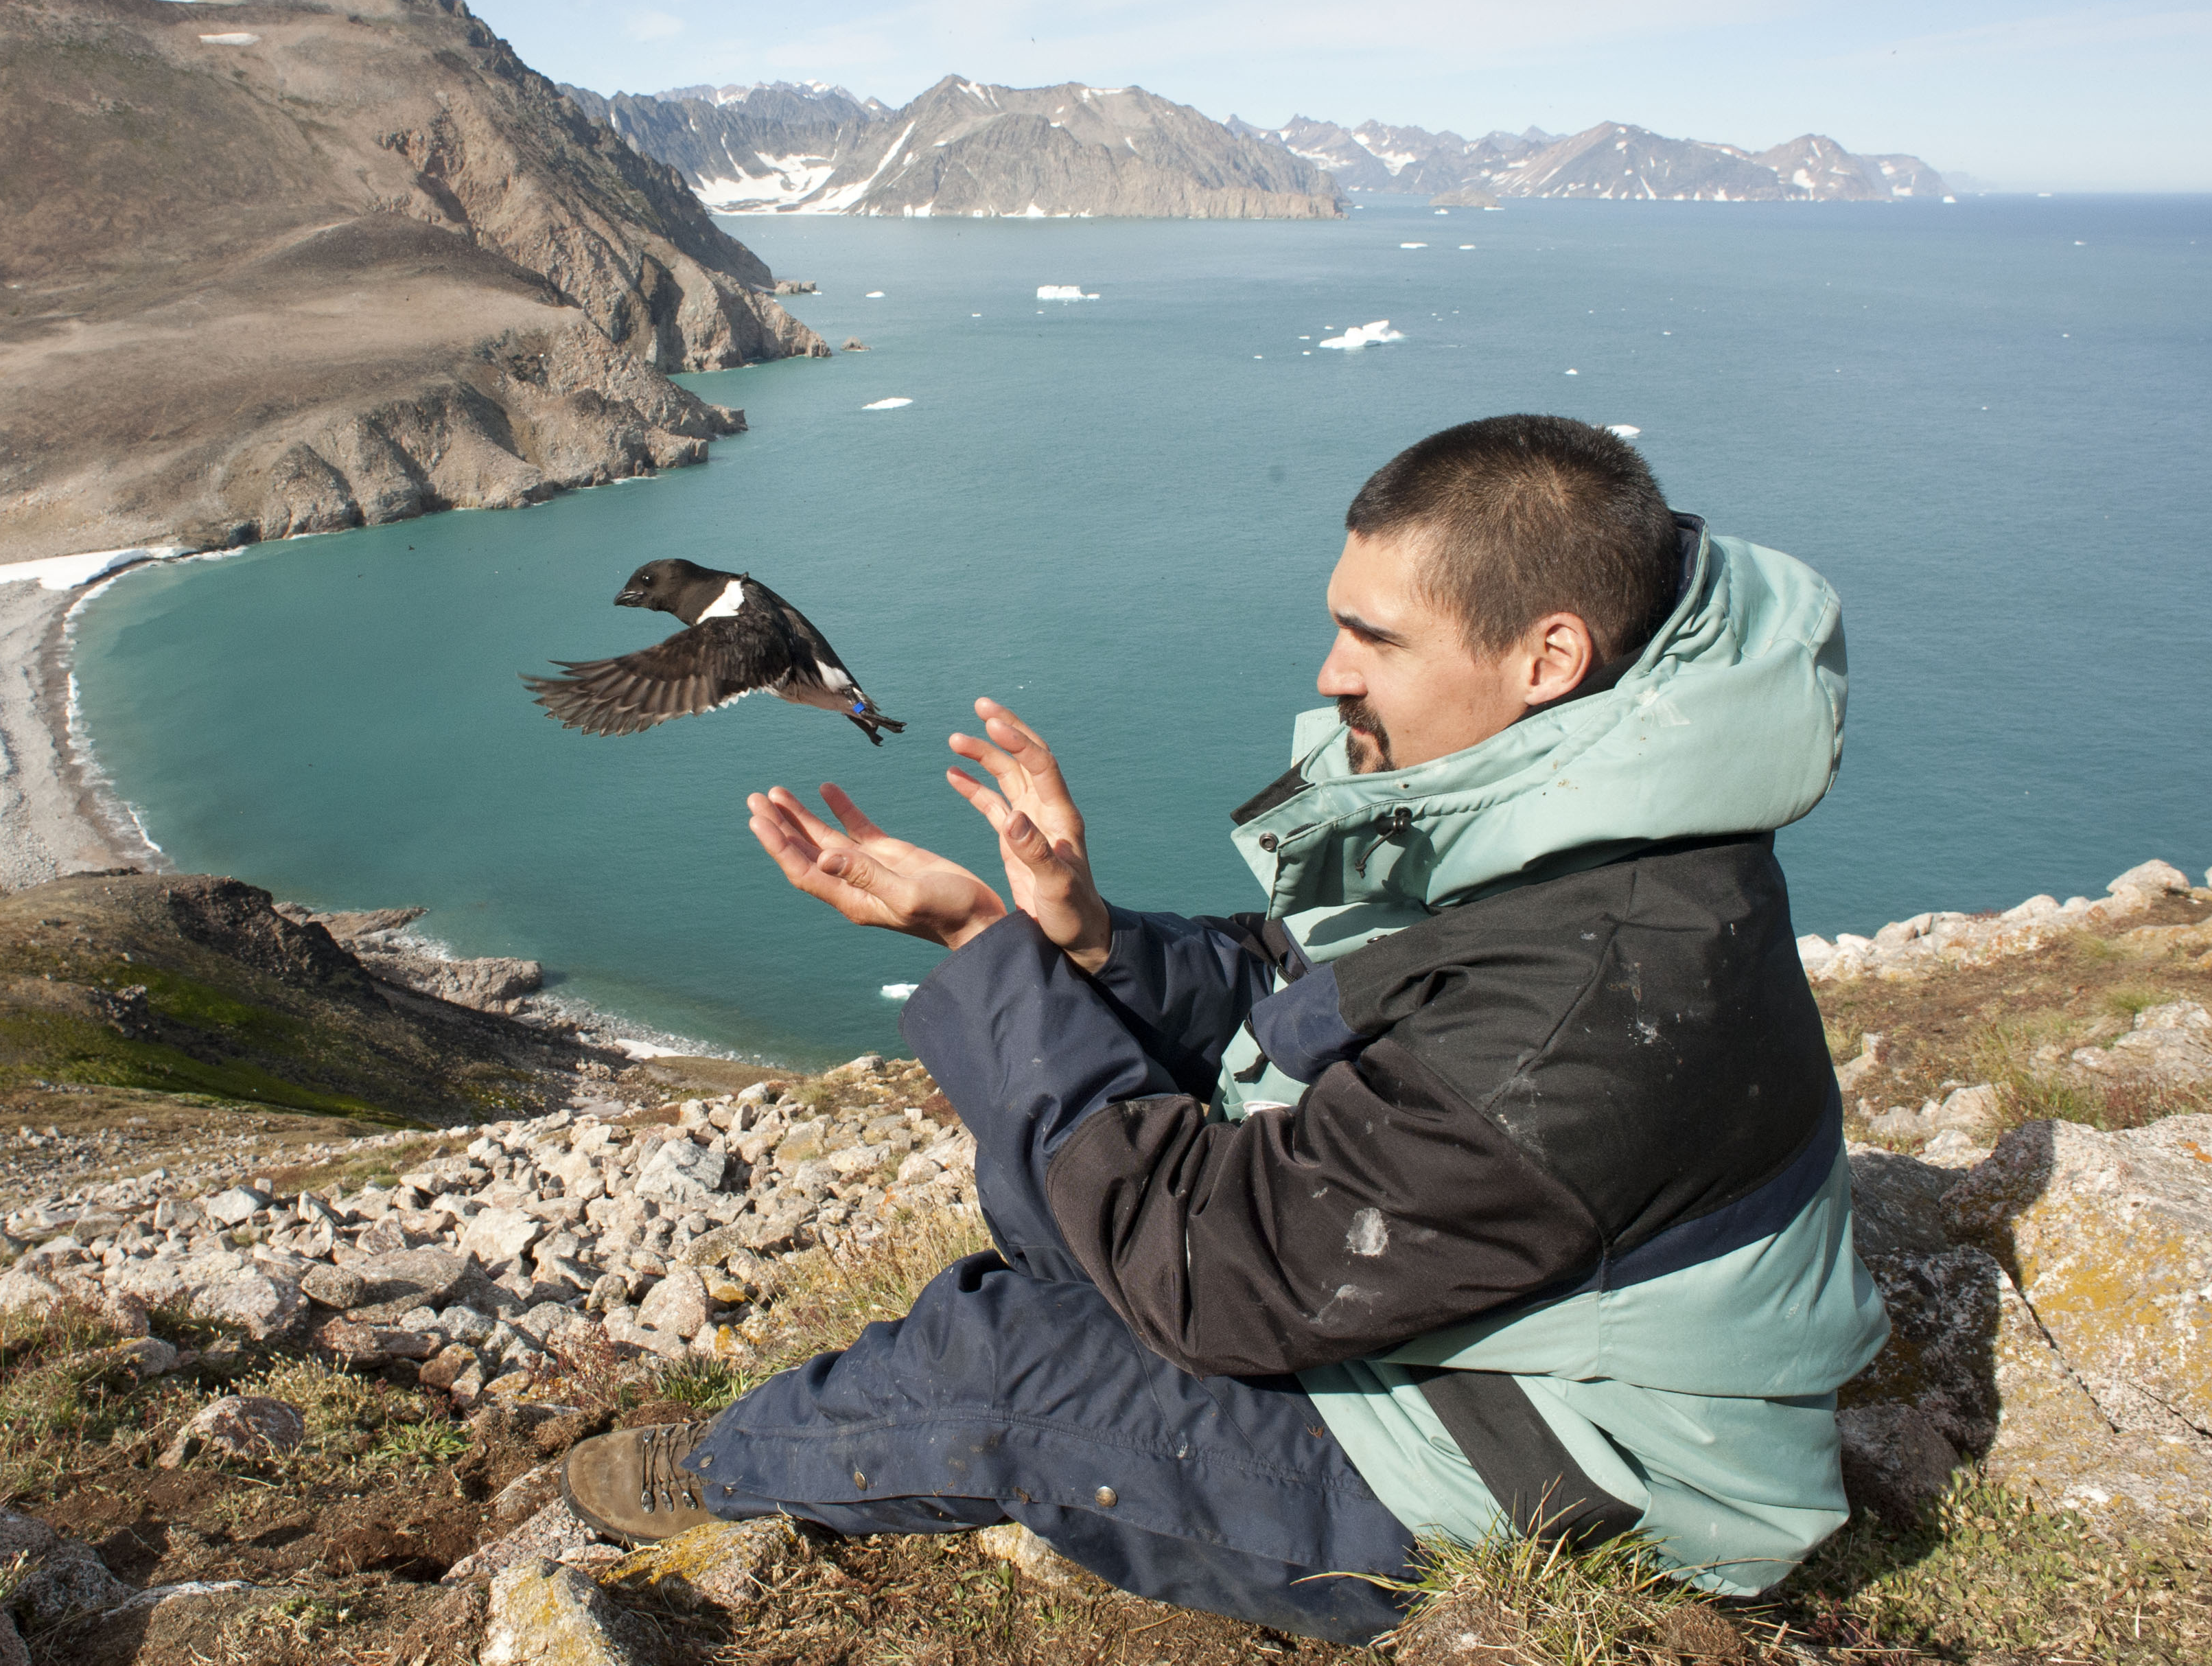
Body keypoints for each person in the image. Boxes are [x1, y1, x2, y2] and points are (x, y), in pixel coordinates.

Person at [558, 414, 1889, 1641]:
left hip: (1582, 1463)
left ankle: (732, 1468)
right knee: (1055, 1192)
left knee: (1013, 1362)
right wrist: (1081, 939)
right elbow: (1303, 992)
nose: (1330, 672)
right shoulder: (1572, 810)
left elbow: (1218, 1280)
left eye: (1374, 638)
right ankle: (936, 1372)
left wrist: (981, 950)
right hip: (1486, 1317)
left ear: (1547, 655)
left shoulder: (1590, 977)